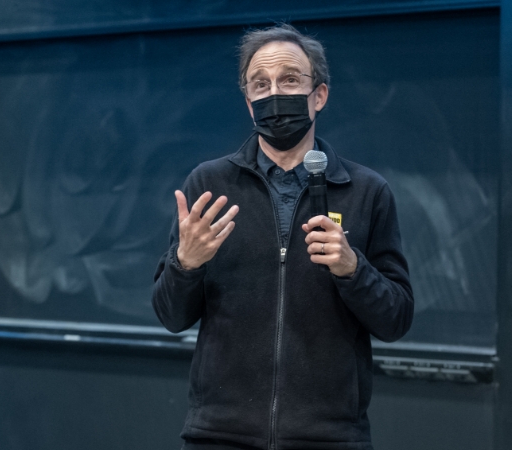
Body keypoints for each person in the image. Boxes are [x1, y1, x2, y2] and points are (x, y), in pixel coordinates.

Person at [152, 23, 414, 450]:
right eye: (261, 84)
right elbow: (170, 316)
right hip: (219, 435)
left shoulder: (366, 191)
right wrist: (187, 263)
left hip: (329, 437)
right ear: (248, 101)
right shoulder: (209, 184)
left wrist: (353, 269)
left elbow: (396, 319)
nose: (275, 93)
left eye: (290, 79)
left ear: (320, 95)